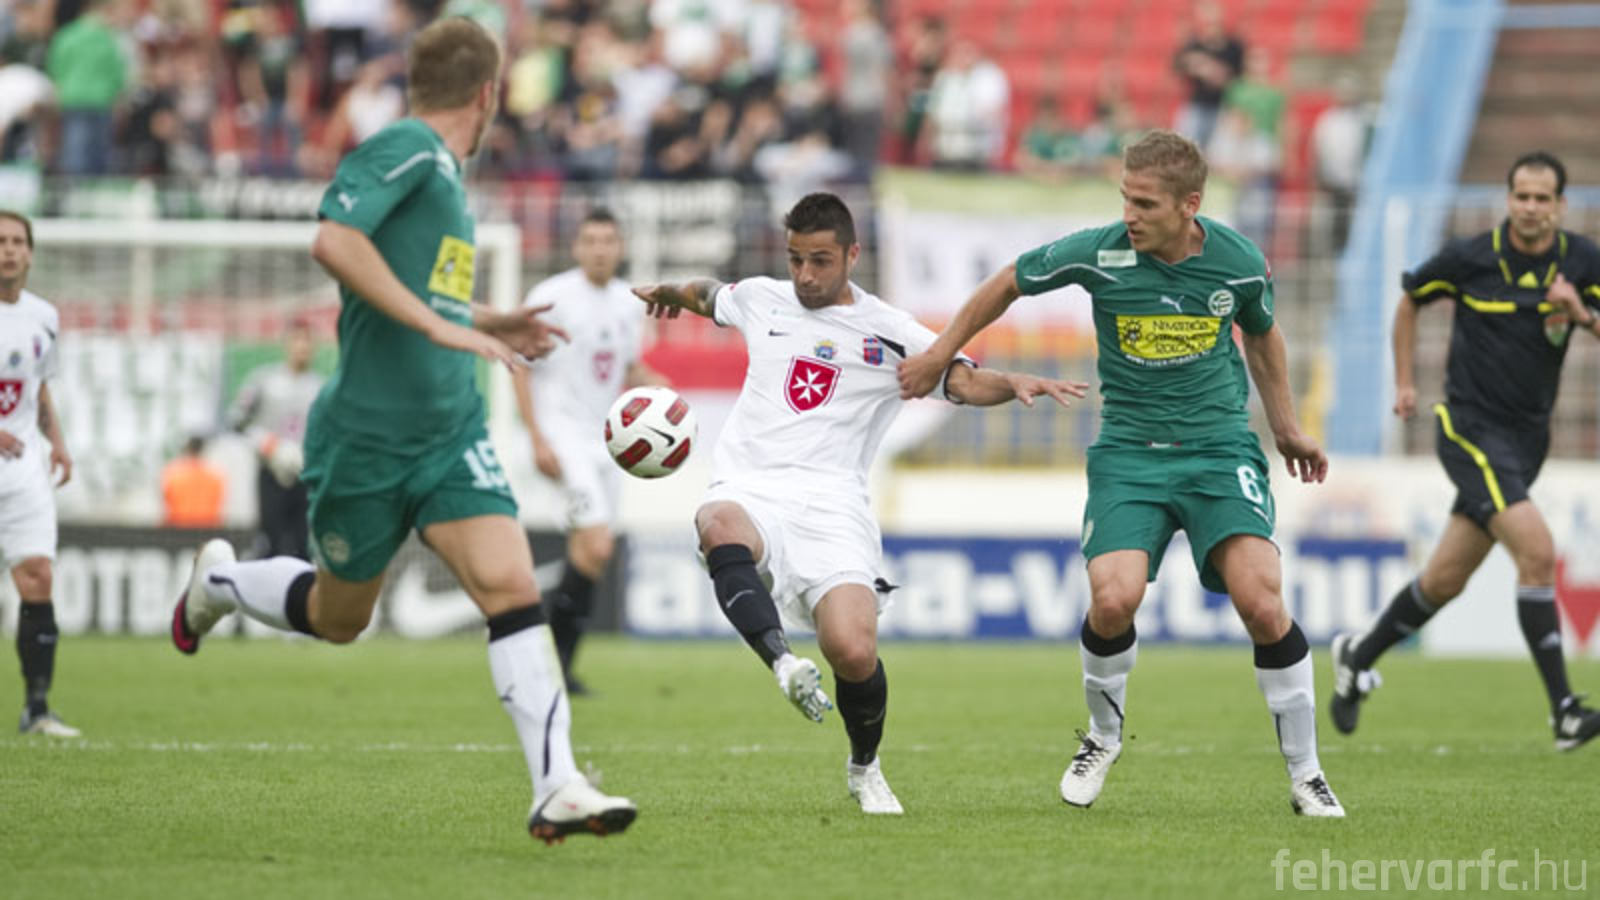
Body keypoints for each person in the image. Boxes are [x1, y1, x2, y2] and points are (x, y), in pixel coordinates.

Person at [166, 17, 637, 844]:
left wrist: (487, 318)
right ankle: (222, 584)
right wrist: (439, 325)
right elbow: (333, 239)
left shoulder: (446, 181)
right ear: (487, 94)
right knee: (340, 617)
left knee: (511, 587)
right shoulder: (409, 146)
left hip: (449, 430)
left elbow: (428, 293)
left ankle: (557, 785)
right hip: (367, 437)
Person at [899, 130, 1345, 817]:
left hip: (1218, 450)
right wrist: (940, 353)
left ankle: (1307, 774)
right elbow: (1010, 280)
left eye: (1145, 204)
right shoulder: (1100, 251)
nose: (1129, 216)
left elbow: (1262, 332)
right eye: (1124, 199)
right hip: (1131, 454)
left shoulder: (1238, 263)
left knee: (1261, 601)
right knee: (1112, 601)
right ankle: (1103, 737)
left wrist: (1285, 426)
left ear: (1190, 205)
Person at [634, 192, 1086, 816]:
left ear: (852, 255)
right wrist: (671, 292)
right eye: (795, 259)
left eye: (819, 261)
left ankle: (865, 767)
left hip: (832, 502)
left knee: (851, 650)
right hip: (751, 485)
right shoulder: (763, 298)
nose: (804, 275)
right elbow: (709, 294)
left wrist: (1011, 383)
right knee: (716, 522)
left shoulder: (890, 330)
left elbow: (960, 379)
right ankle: (783, 664)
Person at [1331, 151, 1600, 751]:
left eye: (1542, 198)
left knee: (1445, 579)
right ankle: (1564, 710)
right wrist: (1405, 383)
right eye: (1521, 195)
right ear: (1508, 199)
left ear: (1560, 205)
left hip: (1528, 438)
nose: (1530, 207)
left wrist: (1581, 313)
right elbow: (1410, 299)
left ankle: (1359, 655)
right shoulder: (1471, 256)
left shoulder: (1582, 261)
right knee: (1538, 551)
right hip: (1468, 428)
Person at [510, 208, 664, 694]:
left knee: (592, 554)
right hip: (562, 437)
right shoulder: (552, 298)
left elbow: (625, 367)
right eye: (591, 240)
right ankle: (548, 663)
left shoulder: (627, 302)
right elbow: (520, 365)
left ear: (620, 248)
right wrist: (536, 437)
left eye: (608, 240)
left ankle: (553, 669)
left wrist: (656, 387)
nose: (599, 249)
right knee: (595, 545)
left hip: (606, 444)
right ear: (576, 247)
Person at [0, 209, 77, 737]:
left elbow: (39, 387)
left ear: (30, 252)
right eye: (0, 241)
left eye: (16, 241)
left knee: (38, 577)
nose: (8, 249)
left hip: (23, 469)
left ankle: (38, 708)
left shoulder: (43, 316)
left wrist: (59, 443)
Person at [227, 316, 323, 559]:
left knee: (304, 545)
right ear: (286, 343)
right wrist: (267, 444)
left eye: (308, 340)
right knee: (270, 542)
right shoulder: (263, 380)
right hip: (271, 473)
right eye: (297, 339)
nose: (302, 346)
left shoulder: (321, 388)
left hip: (306, 476)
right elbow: (236, 419)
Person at [160, 434, 225, 528]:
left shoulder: (174, 474)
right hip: (207, 527)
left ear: (188, 449)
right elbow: (218, 502)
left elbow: (168, 500)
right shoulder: (215, 476)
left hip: (180, 526)